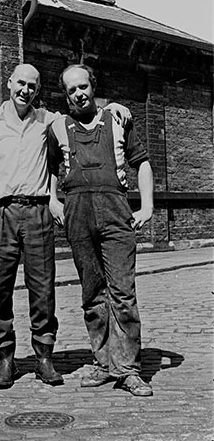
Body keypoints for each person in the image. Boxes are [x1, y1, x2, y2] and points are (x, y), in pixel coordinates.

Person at [0, 63, 129, 390]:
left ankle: (44, 357)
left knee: (42, 289)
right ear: (9, 83)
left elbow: (84, 114)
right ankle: (6, 359)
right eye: (20, 83)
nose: (25, 90)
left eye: (32, 85)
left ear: (37, 90)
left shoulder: (48, 120)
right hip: (0, 211)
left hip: (37, 212)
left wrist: (111, 107)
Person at [48, 64, 154, 397]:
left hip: (115, 212)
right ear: (65, 96)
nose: (79, 94)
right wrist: (52, 201)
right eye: (71, 90)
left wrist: (148, 206)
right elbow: (51, 169)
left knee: (123, 292)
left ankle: (128, 368)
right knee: (93, 294)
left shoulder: (118, 120)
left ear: (93, 87)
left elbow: (143, 162)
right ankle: (103, 361)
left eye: (83, 87)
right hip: (78, 215)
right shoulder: (58, 128)